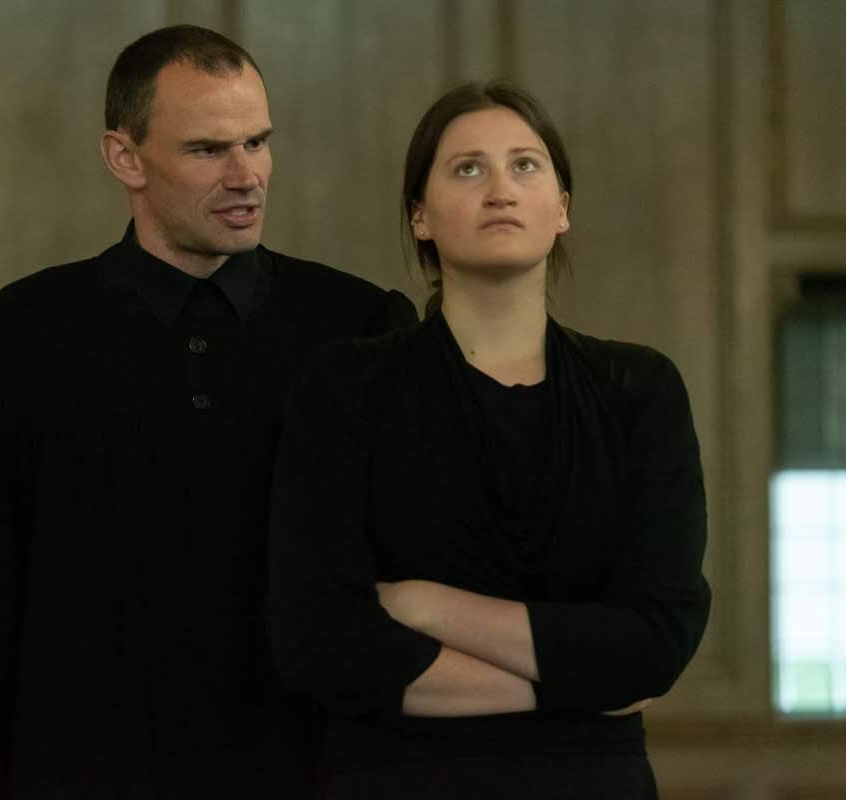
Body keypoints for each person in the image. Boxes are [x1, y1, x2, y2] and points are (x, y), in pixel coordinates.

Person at [0, 24, 416, 799]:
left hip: (307, 769)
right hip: (82, 770)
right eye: (208, 150)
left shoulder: (358, 329)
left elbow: (404, 591)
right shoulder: (13, 338)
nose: (246, 176)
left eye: (257, 142)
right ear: (125, 157)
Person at [267, 80, 710, 799]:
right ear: (419, 215)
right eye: (467, 168)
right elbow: (321, 642)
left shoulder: (640, 389)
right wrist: (579, 682)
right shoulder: (347, 386)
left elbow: (655, 644)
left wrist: (423, 605)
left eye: (525, 165)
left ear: (561, 208)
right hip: (398, 782)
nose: (500, 189)